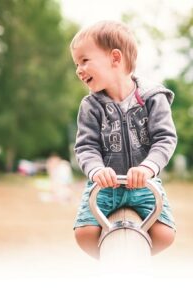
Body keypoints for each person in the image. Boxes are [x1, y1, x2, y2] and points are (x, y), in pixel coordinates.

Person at [70, 20, 177, 259]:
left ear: (115, 58)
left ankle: (133, 260)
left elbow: (165, 138)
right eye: (76, 63)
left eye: (84, 60)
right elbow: (86, 146)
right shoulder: (91, 106)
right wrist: (97, 171)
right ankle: (111, 262)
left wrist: (148, 168)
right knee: (84, 234)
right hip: (105, 184)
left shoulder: (152, 98)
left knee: (165, 234)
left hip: (143, 183)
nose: (78, 69)